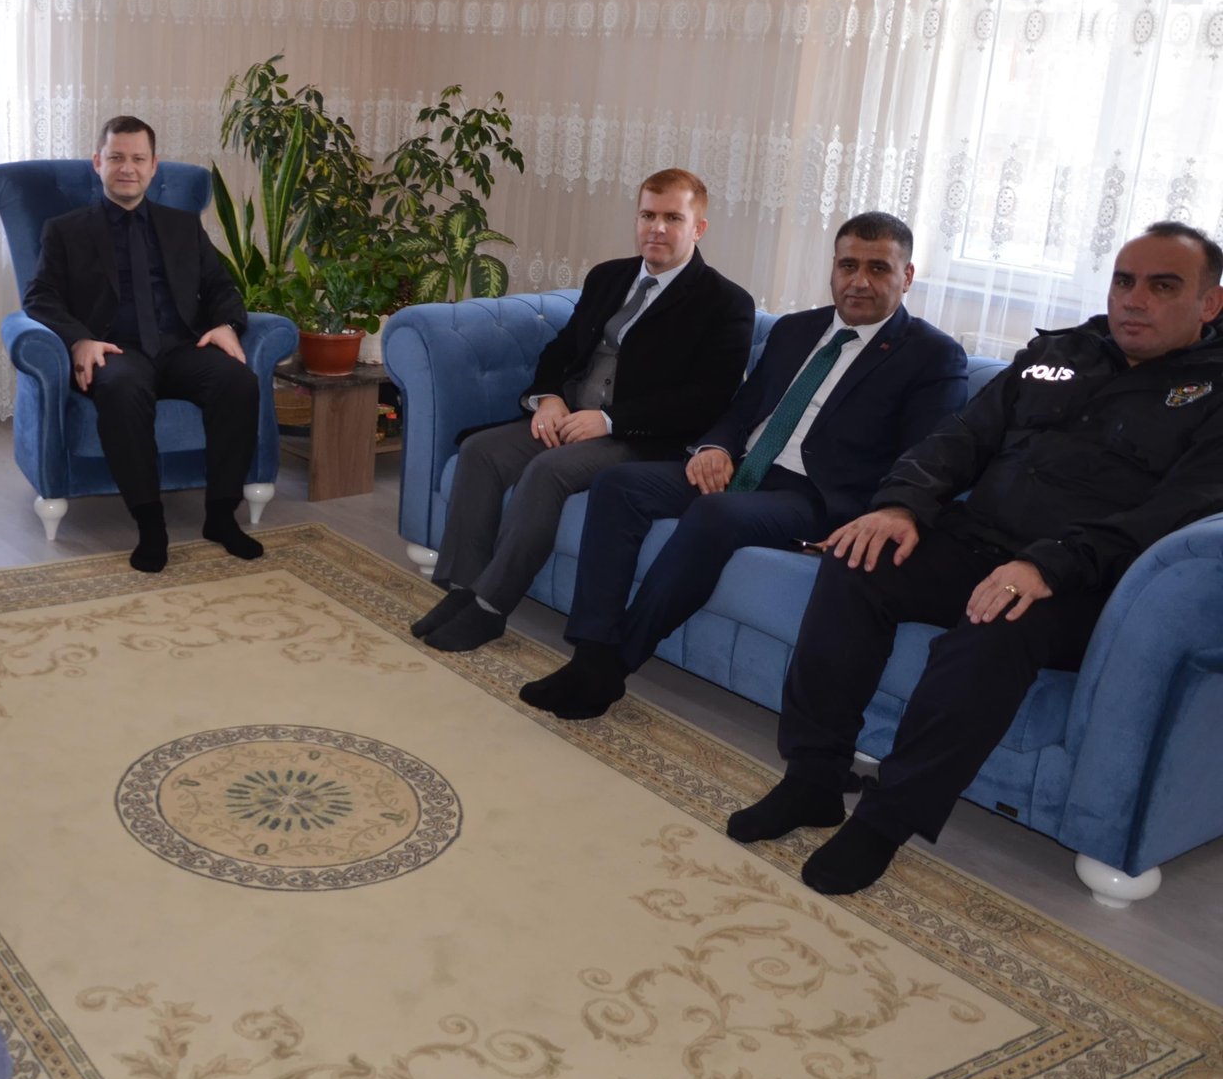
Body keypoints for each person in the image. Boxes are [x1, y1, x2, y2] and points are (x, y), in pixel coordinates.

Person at [728, 222, 1223, 895]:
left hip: (1079, 582)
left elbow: (1174, 514)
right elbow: (959, 438)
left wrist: (1049, 564)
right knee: (855, 560)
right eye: (1124, 281)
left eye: (1163, 287)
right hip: (974, 539)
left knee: (993, 629)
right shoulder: (1060, 352)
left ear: (1209, 303)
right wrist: (901, 505)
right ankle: (813, 778)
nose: (1134, 300)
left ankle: (885, 819)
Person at [524, 213, 968, 719]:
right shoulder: (796, 330)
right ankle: (590, 650)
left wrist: (881, 514)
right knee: (618, 485)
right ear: (833, 268)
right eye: (848, 265)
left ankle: (613, 665)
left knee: (715, 515)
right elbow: (743, 408)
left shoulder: (933, 357)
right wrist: (713, 448)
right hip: (743, 469)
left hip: (816, 497)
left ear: (906, 276)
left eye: (878, 268)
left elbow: (923, 458)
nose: (859, 281)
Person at [410, 169, 757, 652]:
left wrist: (612, 420)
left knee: (548, 471)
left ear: (698, 228)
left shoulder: (726, 303)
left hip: (643, 439)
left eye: (672, 218)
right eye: (647, 215)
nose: (656, 228)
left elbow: (707, 398)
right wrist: (548, 398)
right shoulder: (608, 277)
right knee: (481, 452)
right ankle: (462, 590)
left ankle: (490, 608)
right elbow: (562, 349)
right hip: (572, 417)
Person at [21, 115, 264, 573]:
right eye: (116, 157)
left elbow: (220, 286)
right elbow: (40, 296)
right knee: (122, 388)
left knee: (238, 382)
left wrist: (226, 324)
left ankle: (220, 517)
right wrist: (79, 340)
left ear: (154, 166)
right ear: (98, 163)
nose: (127, 168)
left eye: (138, 158)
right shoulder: (66, 230)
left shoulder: (183, 225)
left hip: (180, 347)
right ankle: (150, 525)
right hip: (115, 349)